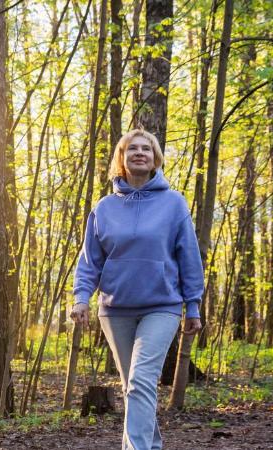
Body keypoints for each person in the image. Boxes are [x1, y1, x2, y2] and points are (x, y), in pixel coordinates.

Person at [71, 128, 204, 450]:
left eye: (146, 148)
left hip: (162, 306)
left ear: (155, 158)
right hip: (115, 309)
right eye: (132, 149)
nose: (139, 153)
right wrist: (81, 299)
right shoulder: (103, 208)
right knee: (134, 385)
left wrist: (193, 305)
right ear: (122, 158)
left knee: (141, 380)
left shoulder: (173, 203)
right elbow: (90, 259)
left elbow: (189, 255)